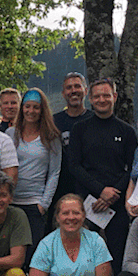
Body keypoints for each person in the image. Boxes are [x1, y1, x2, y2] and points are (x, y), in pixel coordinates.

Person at [68, 78, 135, 272]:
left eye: (106, 95)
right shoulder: (80, 129)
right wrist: (100, 191)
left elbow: (132, 169)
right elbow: (74, 166)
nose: (102, 100)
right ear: (90, 98)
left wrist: (112, 194)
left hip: (117, 201)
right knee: (84, 253)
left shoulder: (127, 131)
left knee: (118, 253)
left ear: (114, 97)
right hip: (87, 201)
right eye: (97, 96)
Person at [6, 88, 62, 251]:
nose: (31, 111)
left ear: (42, 110)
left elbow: (54, 172)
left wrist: (44, 204)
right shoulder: (10, 134)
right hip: (10, 202)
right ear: (22, 108)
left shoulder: (51, 137)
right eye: (27, 106)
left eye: (36, 107)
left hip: (34, 203)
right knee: (10, 250)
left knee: (32, 253)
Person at [51, 71, 93, 222]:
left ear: (86, 91)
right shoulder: (53, 122)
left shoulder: (95, 120)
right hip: (60, 189)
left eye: (77, 86)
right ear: (63, 93)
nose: (73, 91)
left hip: (90, 190)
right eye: (69, 88)